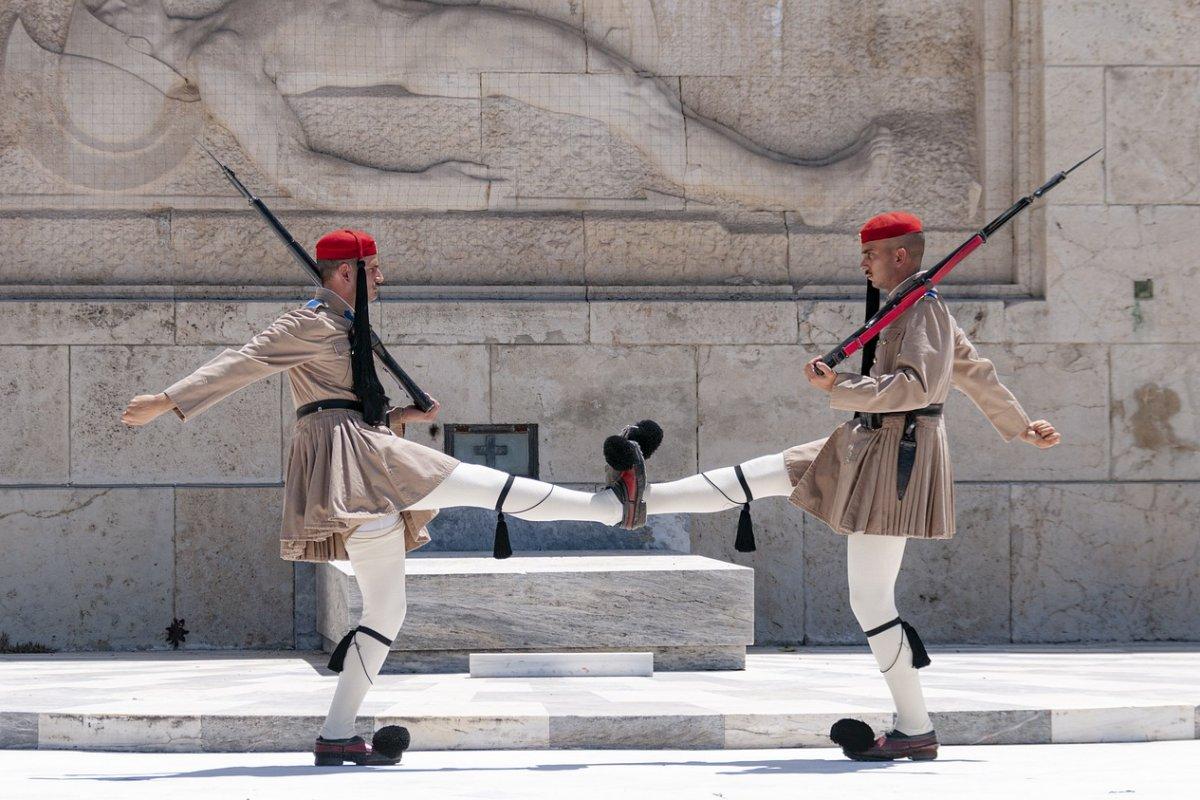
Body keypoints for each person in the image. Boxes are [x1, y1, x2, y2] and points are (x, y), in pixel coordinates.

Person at [122, 228, 657, 766]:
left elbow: (346, 398)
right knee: (475, 481)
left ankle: (336, 735)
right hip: (353, 457)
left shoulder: (346, 324)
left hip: (360, 451)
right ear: (346, 272)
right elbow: (244, 360)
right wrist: (169, 400)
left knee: (387, 609)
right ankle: (609, 508)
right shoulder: (309, 320)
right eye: (373, 268)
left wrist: (400, 417)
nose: (382, 277)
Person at [630, 211, 1061, 761]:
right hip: (866, 441)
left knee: (871, 600)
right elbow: (974, 369)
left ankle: (915, 726)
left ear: (901, 255)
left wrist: (842, 384)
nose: (863, 262)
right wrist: (1020, 425)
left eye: (872, 253)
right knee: (766, 472)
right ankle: (643, 496)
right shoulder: (914, 303)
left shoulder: (922, 307)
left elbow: (919, 386)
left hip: (896, 457)